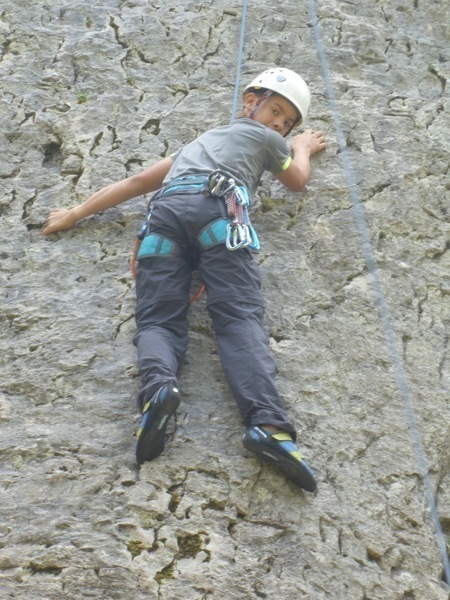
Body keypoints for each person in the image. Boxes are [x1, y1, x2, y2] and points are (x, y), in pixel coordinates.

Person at [44, 67, 327, 493]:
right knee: (238, 317)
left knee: (157, 319)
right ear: (251, 103)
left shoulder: (197, 144)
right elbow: (297, 181)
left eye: (287, 123)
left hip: (163, 220)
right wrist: (300, 146)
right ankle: (268, 427)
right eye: (276, 112)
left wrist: (75, 213)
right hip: (218, 214)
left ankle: (158, 392)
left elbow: (137, 182)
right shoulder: (268, 140)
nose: (278, 124)